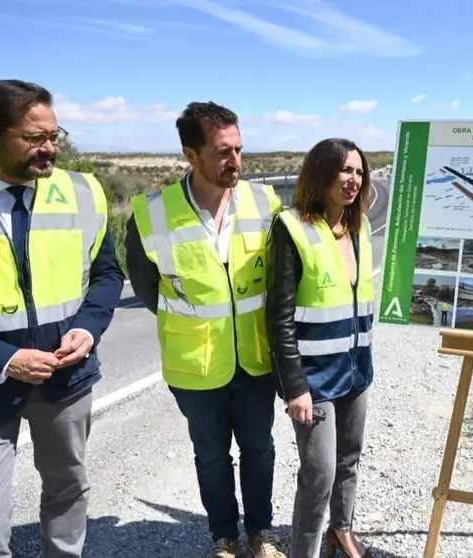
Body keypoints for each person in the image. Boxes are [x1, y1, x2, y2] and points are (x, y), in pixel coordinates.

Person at [0, 79, 124, 557]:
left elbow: (106, 274)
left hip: (66, 380)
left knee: (68, 491)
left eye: (55, 135)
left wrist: (88, 327)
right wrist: (4, 358)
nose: (51, 148)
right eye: (35, 138)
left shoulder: (82, 190)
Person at [125, 101, 286, 558]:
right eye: (221, 152)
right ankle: (224, 538)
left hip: (254, 358)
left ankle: (262, 532)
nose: (234, 161)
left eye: (238, 149)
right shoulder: (151, 214)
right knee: (212, 459)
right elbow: (146, 287)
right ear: (190, 156)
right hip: (194, 367)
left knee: (260, 451)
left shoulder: (264, 202)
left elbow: (279, 280)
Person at [266, 138, 376, 558]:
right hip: (315, 379)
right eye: (345, 170)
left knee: (349, 459)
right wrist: (295, 387)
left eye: (359, 171)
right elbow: (278, 317)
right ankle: (304, 551)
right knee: (319, 472)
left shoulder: (359, 225)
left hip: (357, 371)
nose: (353, 180)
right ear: (322, 173)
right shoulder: (292, 226)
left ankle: (341, 530)